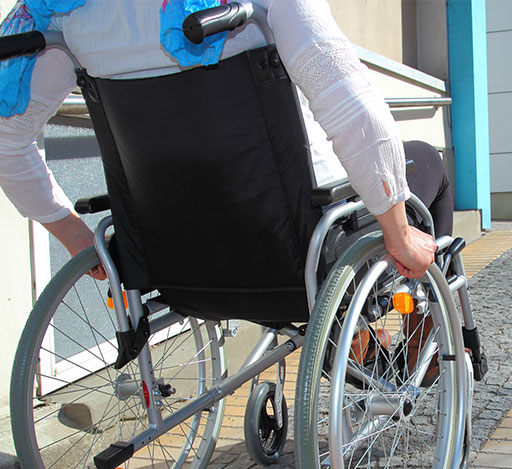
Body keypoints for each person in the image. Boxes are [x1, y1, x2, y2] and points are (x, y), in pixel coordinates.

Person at [0, 0, 453, 280]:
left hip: (167, 256)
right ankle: (421, 336)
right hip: (289, 240)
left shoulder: (63, 9)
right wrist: (398, 235)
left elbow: (5, 138)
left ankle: (356, 345)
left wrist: (80, 242)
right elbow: (350, 105)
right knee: (426, 164)